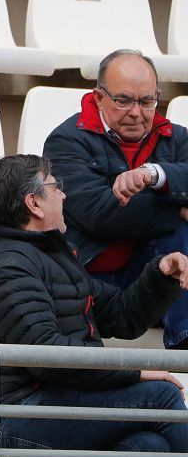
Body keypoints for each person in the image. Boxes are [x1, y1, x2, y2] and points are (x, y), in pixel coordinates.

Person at [0, 154, 188, 457]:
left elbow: (122, 315)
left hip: (60, 404)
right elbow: (47, 355)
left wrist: (161, 275)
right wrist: (136, 374)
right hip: (16, 422)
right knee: (161, 397)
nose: (63, 194)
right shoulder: (6, 266)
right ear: (34, 203)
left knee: (148, 449)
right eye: (55, 186)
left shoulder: (52, 257)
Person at [44, 49, 188, 350]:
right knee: (178, 227)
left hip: (154, 275)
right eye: (123, 100)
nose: (136, 112)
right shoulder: (66, 141)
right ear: (99, 97)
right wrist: (176, 204)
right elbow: (100, 215)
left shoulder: (176, 138)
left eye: (147, 101)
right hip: (93, 282)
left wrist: (154, 174)